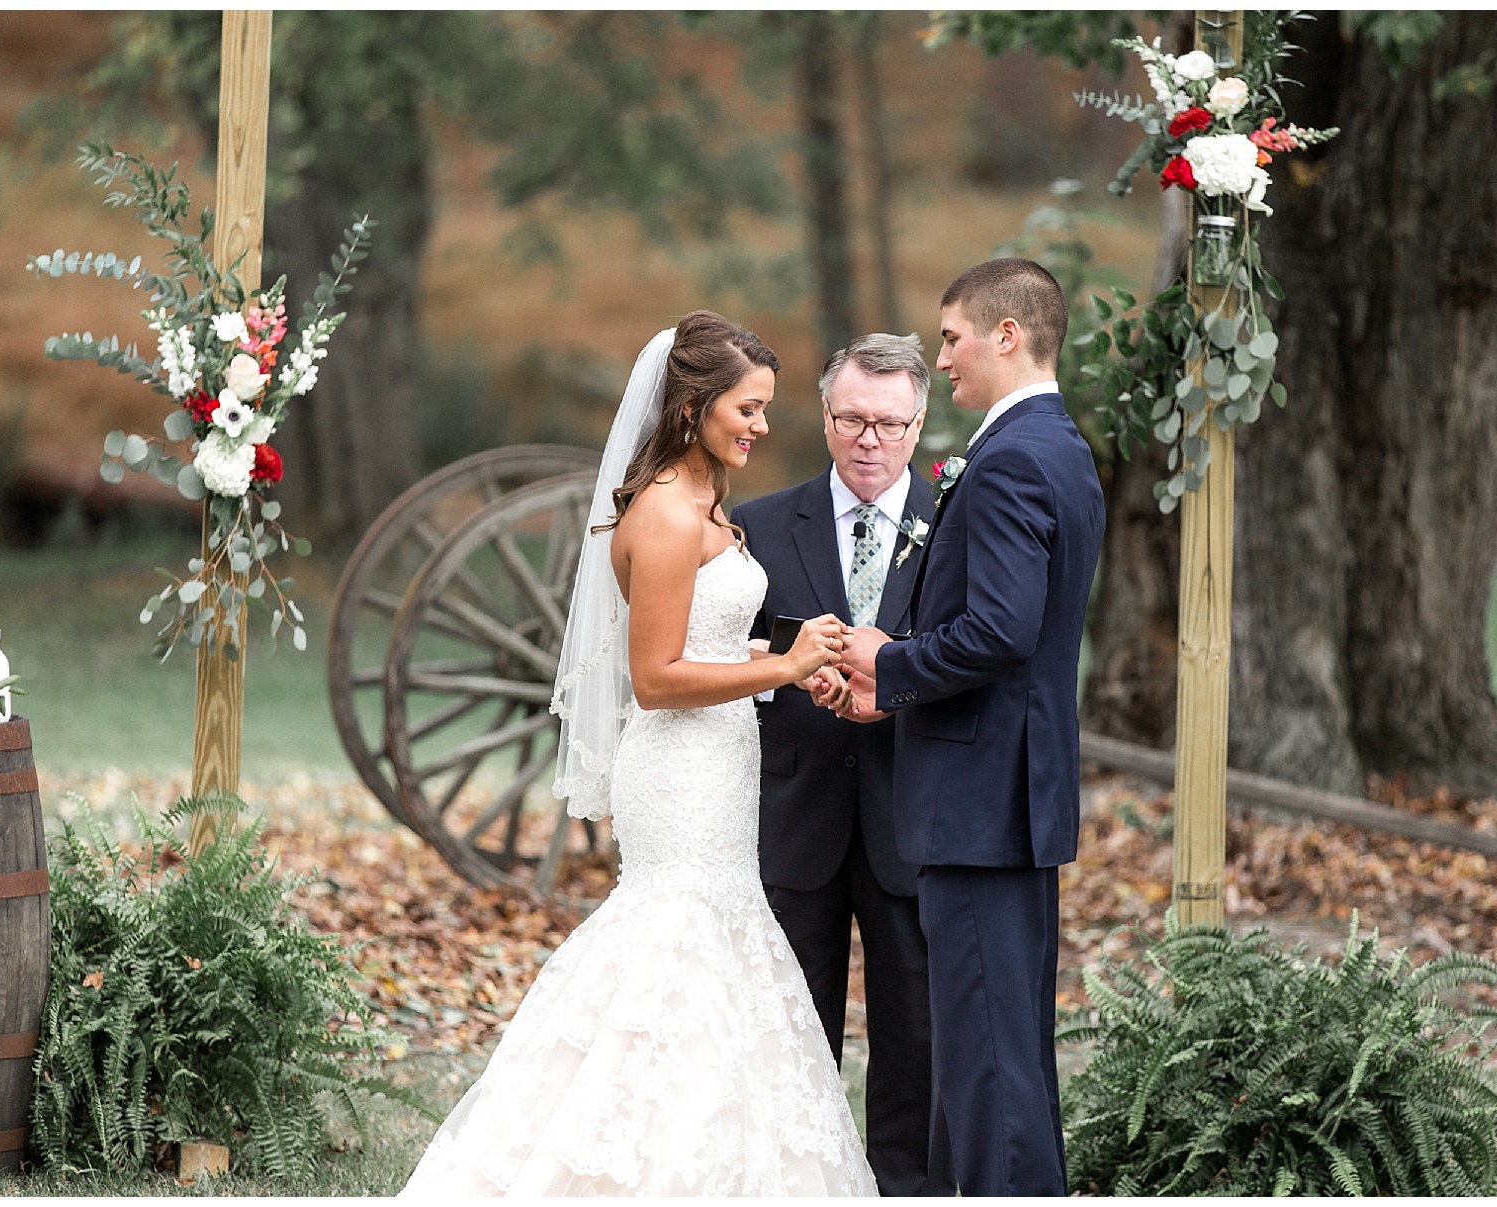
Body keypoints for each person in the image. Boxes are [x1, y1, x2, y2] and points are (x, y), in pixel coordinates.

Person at [402, 311, 877, 1196]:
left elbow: (704, 640)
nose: (762, 427)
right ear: (693, 403)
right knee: (674, 944)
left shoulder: (704, 498)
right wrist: (780, 662)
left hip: (724, 764)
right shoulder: (663, 510)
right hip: (680, 772)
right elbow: (655, 677)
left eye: (767, 409)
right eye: (749, 407)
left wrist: (787, 662)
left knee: (722, 944)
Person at [840, 258, 1105, 1196]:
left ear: (1006, 334)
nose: (940, 356)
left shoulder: (1011, 460)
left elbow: (1000, 628)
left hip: (980, 804)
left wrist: (889, 665)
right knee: (1002, 1057)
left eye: (951, 337)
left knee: (988, 1066)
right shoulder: (1057, 444)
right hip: (1010, 798)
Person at [729, 333, 948, 1197]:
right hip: (797, 807)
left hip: (911, 808)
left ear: (919, 423)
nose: (869, 439)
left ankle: (906, 1188)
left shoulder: (954, 521)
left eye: (890, 424)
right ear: (824, 415)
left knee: (915, 1031)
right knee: (791, 1026)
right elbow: (736, 653)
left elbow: (967, 650)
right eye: (852, 418)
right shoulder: (759, 524)